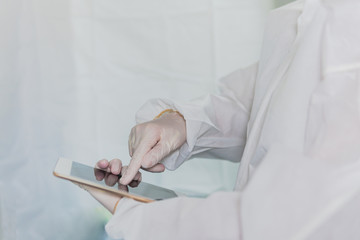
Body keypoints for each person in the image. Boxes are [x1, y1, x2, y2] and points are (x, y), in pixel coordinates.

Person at [77, 0, 360, 239]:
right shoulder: (316, 14)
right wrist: (179, 125)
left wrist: (138, 216)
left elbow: (274, 223)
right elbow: (259, 102)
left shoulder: (346, 51)